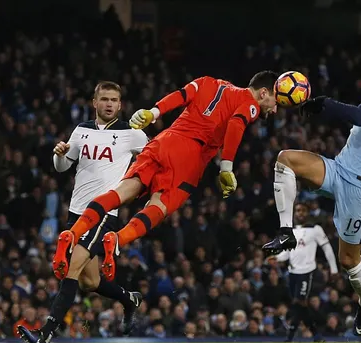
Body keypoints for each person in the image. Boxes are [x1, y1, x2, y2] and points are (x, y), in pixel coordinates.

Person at [55, 71, 279, 279]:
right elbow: (236, 124)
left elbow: (181, 95)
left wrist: (153, 112)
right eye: (276, 100)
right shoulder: (250, 104)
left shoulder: (208, 81)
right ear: (263, 93)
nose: (275, 109)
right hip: (189, 156)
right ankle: (117, 239)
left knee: (120, 192)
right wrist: (227, 167)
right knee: (158, 207)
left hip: (164, 139)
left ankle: (72, 233)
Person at [262, 40, 361, 336]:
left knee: (348, 260)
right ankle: (285, 231)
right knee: (285, 160)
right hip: (338, 170)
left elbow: (358, 116)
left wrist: (326, 103)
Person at [18, 82, 146, 343]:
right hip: (76, 211)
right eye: (105, 99)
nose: (109, 104)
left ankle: (46, 333)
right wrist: (59, 156)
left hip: (103, 212)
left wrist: (139, 186)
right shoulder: (82, 130)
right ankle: (128, 299)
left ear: (120, 105)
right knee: (90, 281)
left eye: (114, 100)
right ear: (94, 102)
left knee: (70, 268)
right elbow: (63, 167)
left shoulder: (132, 134)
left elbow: (153, 158)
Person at [266, 203, 338, 342]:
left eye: (303, 211)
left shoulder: (315, 229)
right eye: (298, 211)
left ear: (308, 213)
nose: (300, 213)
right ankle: (315, 335)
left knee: (299, 301)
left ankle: (293, 335)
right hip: (292, 272)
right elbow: (287, 253)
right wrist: (277, 258)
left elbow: (327, 249)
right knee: (299, 305)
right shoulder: (290, 231)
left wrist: (333, 269)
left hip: (307, 271)